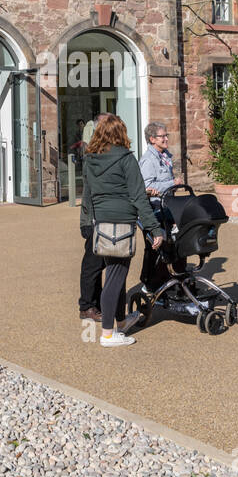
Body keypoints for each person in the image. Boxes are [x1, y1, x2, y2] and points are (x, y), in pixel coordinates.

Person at [80, 114, 165, 348]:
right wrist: (154, 228)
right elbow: (139, 197)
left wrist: (86, 223)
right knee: (116, 277)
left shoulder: (90, 159)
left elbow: (87, 196)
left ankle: (120, 321)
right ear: (120, 133)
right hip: (123, 222)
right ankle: (108, 334)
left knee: (115, 274)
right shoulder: (127, 159)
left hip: (101, 222)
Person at [75, 113, 111, 321]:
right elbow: (90, 192)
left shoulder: (106, 153)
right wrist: (86, 222)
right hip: (95, 218)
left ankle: (96, 302)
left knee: (101, 262)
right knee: (92, 263)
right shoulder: (93, 156)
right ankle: (87, 306)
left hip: (103, 217)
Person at [137, 122, 177, 286]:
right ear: (152, 139)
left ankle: (165, 279)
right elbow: (146, 187)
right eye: (163, 136)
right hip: (153, 210)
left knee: (171, 245)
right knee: (154, 248)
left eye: (167, 135)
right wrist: (172, 183)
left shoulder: (166, 156)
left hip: (167, 207)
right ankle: (149, 283)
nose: (166, 138)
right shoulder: (148, 161)